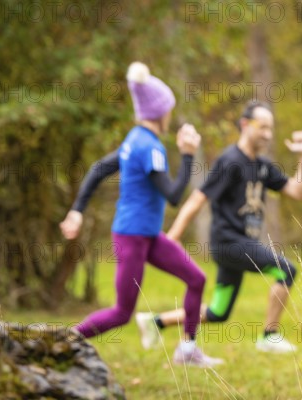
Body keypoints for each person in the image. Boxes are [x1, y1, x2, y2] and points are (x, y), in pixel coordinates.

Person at [59, 62, 222, 367]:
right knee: (122, 313)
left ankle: (187, 351)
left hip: (147, 235)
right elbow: (173, 196)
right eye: (169, 109)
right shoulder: (150, 147)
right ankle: (63, 340)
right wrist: (187, 154)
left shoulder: (134, 138)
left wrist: (77, 211)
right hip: (132, 237)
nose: (170, 115)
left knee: (196, 279)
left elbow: (97, 169)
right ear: (160, 112)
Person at [135, 100, 302, 353]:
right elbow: (198, 198)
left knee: (218, 312)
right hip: (229, 242)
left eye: (270, 129)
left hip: (239, 245)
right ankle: (269, 336)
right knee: (286, 270)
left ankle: (156, 322)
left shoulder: (261, 167)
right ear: (244, 125)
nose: (268, 134)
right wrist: (171, 238)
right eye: (262, 127)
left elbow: (297, 191)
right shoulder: (230, 161)